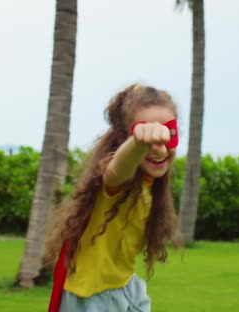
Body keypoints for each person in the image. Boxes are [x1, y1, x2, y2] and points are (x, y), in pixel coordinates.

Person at [45, 83, 184, 312]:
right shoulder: (117, 181)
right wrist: (137, 144)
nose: (159, 149)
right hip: (95, 296)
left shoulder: (148, 185)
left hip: (124, 286)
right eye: (147, 138)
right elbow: (118, 169)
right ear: (123, 140)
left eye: (168, 135)